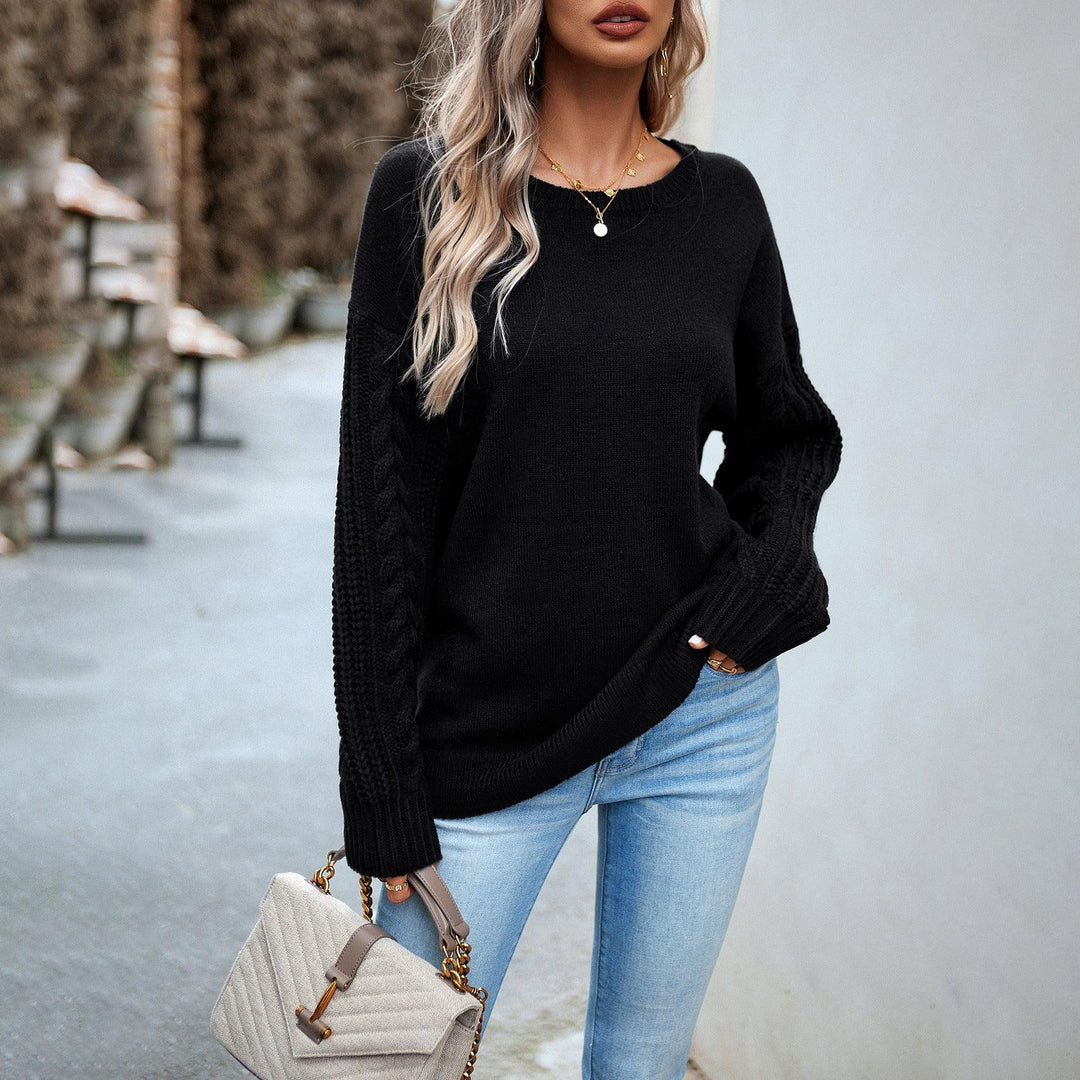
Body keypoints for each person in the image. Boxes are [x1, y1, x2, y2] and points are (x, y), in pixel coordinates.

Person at [330, 1, 842, 1076]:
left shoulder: (724, 206)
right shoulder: (425, 197)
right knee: (387, 1063)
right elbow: (380, 519)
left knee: (640, 1064)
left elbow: (786, 436)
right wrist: (382, 789)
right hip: (488, 722)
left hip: (701, 715)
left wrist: (768, 577)